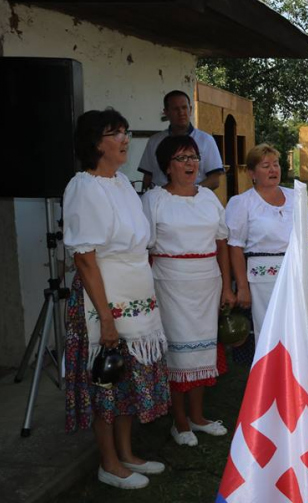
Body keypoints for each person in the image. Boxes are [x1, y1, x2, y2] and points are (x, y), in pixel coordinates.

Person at [63, 109, 170, 490]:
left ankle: (126, 454)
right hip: (104, 300)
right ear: (95, 144)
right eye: (115, 133)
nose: (125, 138)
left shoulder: (123, 184)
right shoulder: (83, 186)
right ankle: (108, 463)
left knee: (127, 380)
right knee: (106, 380)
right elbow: (85, 257)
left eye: (125, 131)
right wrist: (106, 318)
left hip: (136, 295)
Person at [142, 135, 236, 447]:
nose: (190, 164)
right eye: (182, 158)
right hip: (170, 284)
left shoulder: (208, 198)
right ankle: (179, 421)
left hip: (207, 283)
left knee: (203, 351)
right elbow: (145, 250)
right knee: (177, 354)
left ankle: (198, 416)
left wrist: (225, 284)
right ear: (167, 166)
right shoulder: (154, 200)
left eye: (193, 157)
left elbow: (221, 242)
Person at [225, 144, 294, 345]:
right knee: (267, 333)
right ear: (251, 173)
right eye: (266, 166)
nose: (273, 170)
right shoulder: (242, 203)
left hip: (293, 276)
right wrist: (242, 287)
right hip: (261, 280)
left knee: (294, 332)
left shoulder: (295, 197)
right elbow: (235, 247)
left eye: (276, 164)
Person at [137, 90, 224, 190]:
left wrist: (187, 192)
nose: (181, 112)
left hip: (193, 201)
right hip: (160, 201)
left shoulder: (206, 140)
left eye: (184, 107)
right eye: (175, 109)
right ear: (166, 112)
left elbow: (214, 180)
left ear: (190, 110)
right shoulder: (154, 141)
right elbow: (147, 177)